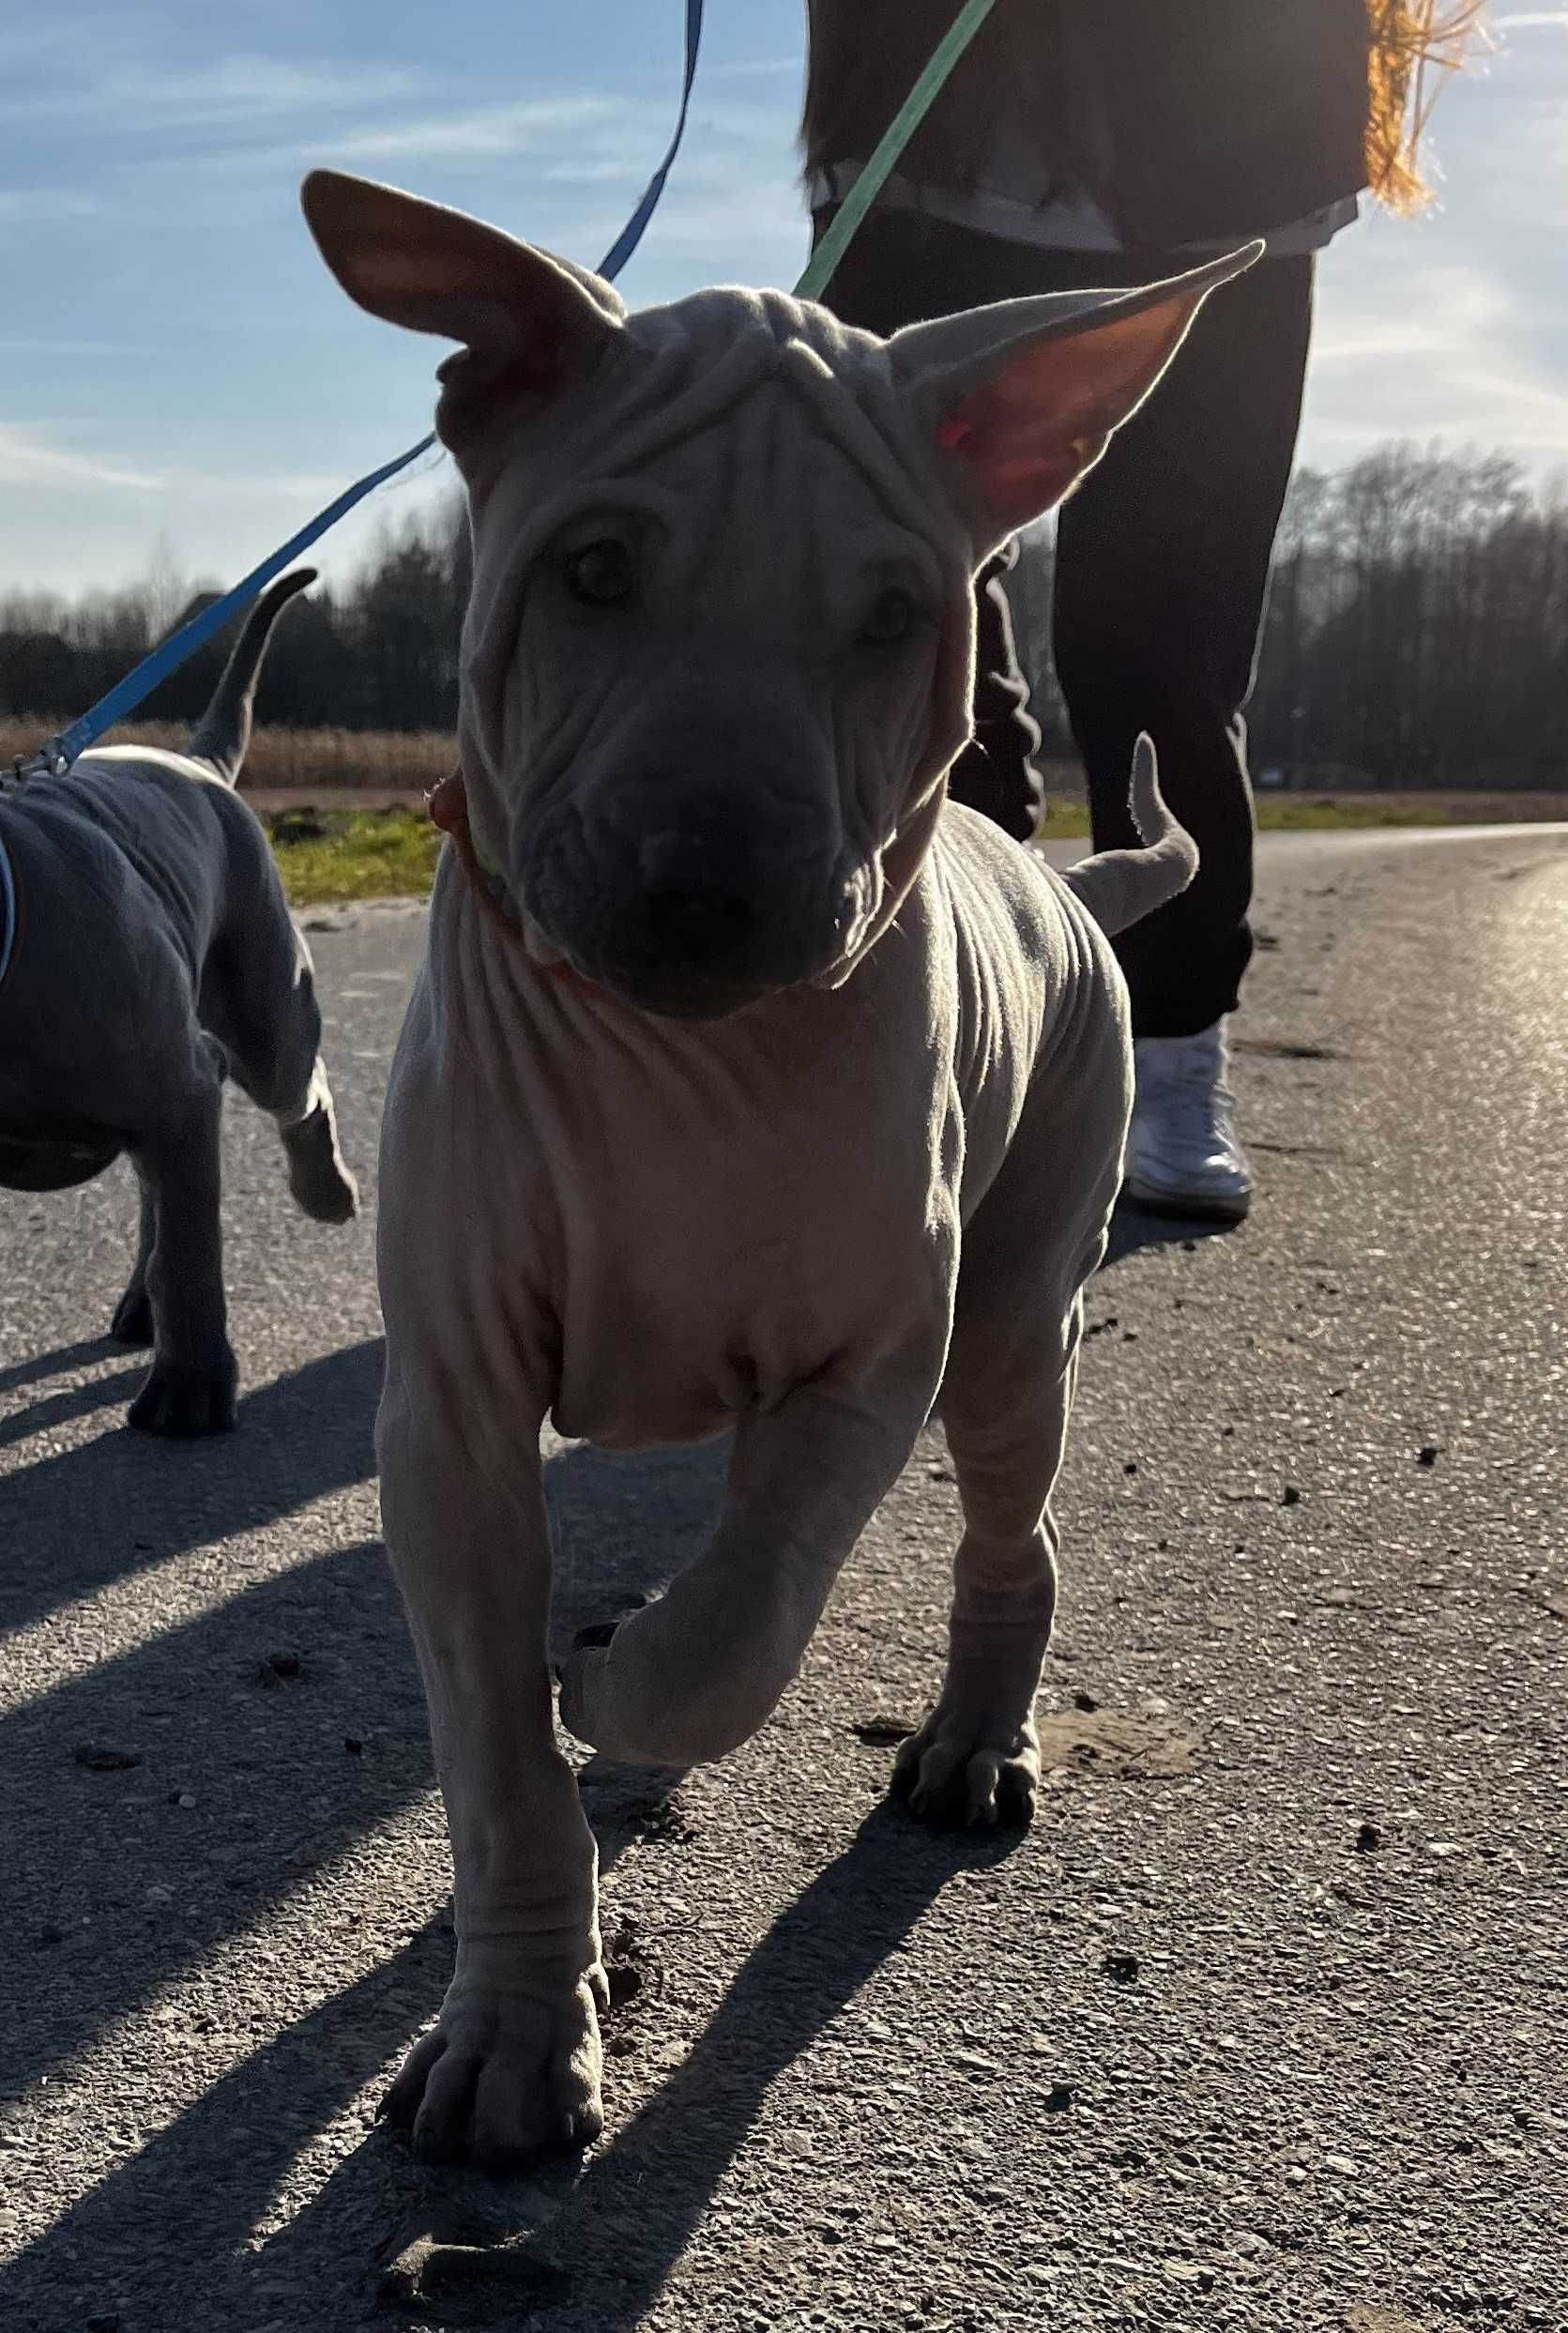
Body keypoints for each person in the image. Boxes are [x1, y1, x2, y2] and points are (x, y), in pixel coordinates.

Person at [802, 1, 1479, 1221]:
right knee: (902, 599)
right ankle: (945, 1008)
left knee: (1164, 641)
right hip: (926, 139)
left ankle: (1170, 1053)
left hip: (1224, 160)